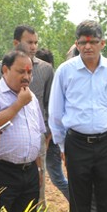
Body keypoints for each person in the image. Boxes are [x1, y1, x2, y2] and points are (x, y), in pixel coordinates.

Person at [48, 20, 107, 212]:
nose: (88, 47)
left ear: (102, 43)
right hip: (77, 143)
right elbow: (55, 111)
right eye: (83, 43)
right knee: (79, 200)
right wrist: (62, 146)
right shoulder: (65, 71)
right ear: (77, 44)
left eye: (93, 42)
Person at [0, 25, 57, 205]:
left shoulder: (46, 69)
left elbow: (50, 104)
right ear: (16, 43)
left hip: (36, 136)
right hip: (6, 138)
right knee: (3, 199)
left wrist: (47, 135)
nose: (33, 46)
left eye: (36, 42)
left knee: (36, 191)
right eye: (29, 42)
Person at [0, 49, 46, 212]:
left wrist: (37, 168)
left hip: (28, 171)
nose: (26, 76)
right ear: (5, 70)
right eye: (21, 71)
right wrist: (19, 104)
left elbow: (37, 134)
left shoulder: (31, 97)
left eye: (29, 72)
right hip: (0, 171)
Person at [35, 47, 69, 201]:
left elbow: (54, 112)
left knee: (56, 177)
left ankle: (76, 201)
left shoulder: (55, 81)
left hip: (51, 137)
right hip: (43, 135)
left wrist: (48, 138)